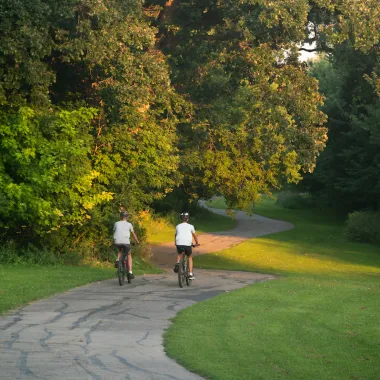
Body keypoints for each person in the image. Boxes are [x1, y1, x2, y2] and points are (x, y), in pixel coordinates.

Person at [173, 212, 199, 280]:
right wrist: (197, 243)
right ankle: (190, 274)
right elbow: (195, 236)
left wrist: (176, 242)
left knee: (179, 253)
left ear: (181, 219)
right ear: (188, 218)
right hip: (187, 244)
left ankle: (178, 263)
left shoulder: (178, 226)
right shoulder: (191, 226)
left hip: (179, 243)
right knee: (190, 257)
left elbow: (175, 235)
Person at [114, 211, 140, 279]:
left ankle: (117, 260)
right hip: (126, 242)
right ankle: (130, 272)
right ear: (127, 217)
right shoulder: (129, 224)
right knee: (129, 254)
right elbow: (133, 234)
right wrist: (137, 241)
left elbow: (115, 232)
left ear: (120, 217)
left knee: (119, 250)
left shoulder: (116, 223)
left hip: (117, 241)